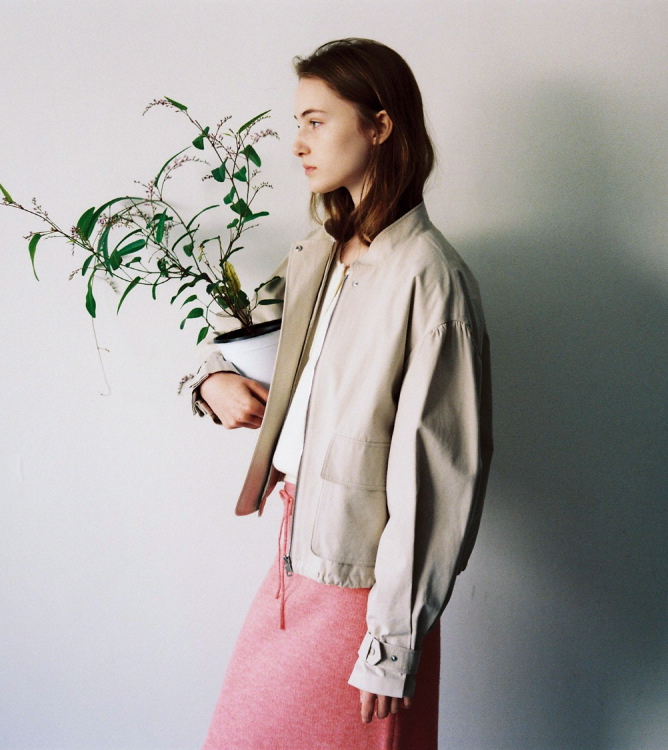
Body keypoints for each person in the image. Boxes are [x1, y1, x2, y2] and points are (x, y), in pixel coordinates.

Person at [186, 38, 493, 750]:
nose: (298, 142)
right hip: (295, 559)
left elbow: (437, 480)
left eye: (317, 122)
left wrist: (392, 644)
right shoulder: (316, 254)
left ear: (380, 126)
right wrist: (212, 381)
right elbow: (232, 338)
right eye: (298, 122)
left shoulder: (429, 279)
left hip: (364, 593)